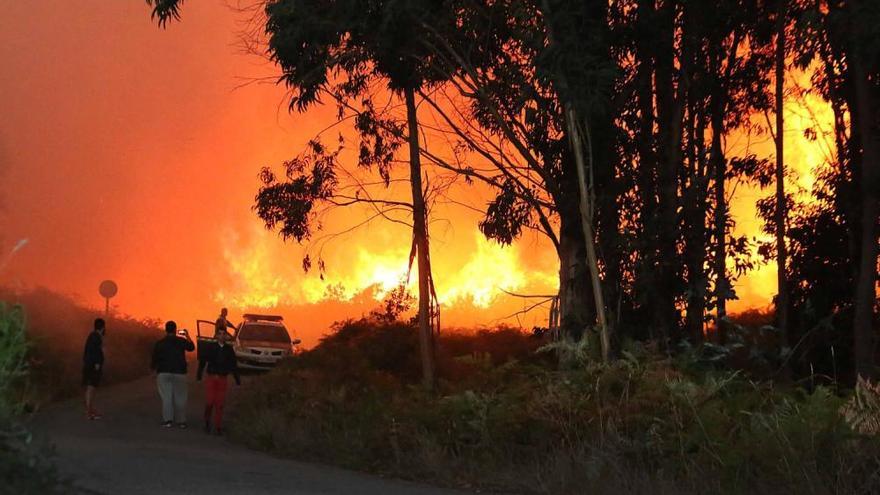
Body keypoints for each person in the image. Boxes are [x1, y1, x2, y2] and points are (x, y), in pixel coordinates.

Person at [151, 320, 195, 428]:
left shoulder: (159, 343)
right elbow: (191, 347)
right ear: (175, 330)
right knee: (181, 397)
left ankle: (168, 421)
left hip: (164, 372)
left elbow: (154, 358)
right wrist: (187, 335)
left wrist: (153, 370)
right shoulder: (181, 341)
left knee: (166, 397)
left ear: (166, 330)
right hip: (180, 372)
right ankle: (181, 422)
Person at [197, 329, 240, 435]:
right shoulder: (210, 347)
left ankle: (218, 426)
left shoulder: (229, 349)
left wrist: (237, 379)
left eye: (223, 334)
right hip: (211, 377)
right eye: (219, 334)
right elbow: (203, 361)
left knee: (220, 404)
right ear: (216, 335)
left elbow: (233, 365)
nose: (221, 336)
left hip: (222, 378)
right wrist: (199, 375)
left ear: (226, 336)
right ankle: (207, 421)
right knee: (210, 402)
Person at [82, 318, 106, 420]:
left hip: (89, 365)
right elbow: (95, 351)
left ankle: (90, 410)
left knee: (91, 388)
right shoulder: (96, 337)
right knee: (90, 388)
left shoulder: (93, 336)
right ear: (102, 327)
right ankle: (88, 412)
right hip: (92, 367)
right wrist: (97, 363)